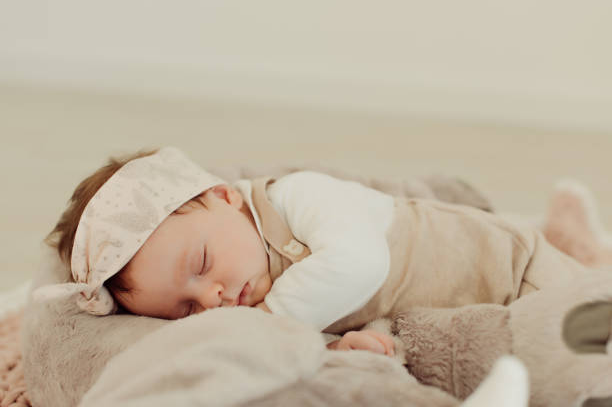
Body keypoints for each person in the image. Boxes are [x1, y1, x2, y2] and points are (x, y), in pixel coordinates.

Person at [40, 147, 588, 356]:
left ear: (225, 197)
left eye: (202, 265)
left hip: (510, 268)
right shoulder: (248, 281)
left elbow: (360, 266)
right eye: (185, 309)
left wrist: (267, 322)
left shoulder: (297, 196)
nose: (213, 297)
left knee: (580, 324)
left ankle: (577, 248)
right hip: (452, 316)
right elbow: (331, 318)